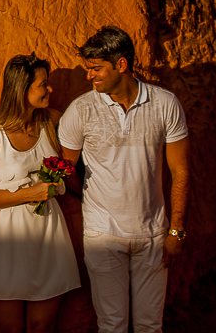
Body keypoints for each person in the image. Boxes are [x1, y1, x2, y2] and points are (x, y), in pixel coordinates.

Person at [59, 26, 190, 333]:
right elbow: (68, 171)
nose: (90, 76)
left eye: (96, 69)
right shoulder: (80, 110)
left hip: (154, 235)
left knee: (149, 326)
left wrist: (176, 231)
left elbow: (181, 171)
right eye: (88, 69)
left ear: (121, 65)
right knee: (111, 325)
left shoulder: (165, 104)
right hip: (102, 235)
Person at [0, 54, 80, 333]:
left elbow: (87, 128)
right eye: (43, 85)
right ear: (21, 89)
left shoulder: (52, 122)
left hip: (48, 232)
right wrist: (28, 194)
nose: (50, 90)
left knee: (42, 326)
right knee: (9, 329)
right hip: (6, 238)